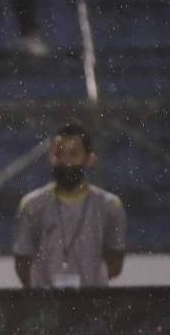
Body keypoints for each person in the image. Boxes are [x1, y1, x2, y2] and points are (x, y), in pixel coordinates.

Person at [14, 123, 126, 289]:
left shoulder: (109, 205)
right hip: (45, 304)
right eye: (59, 154)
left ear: (89, 159)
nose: (66, 161)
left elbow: (116, 263)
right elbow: (22, 261)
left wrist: (89, 284)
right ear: (50, 157)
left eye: (73, 154)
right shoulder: (32, 205)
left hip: (93, 303)